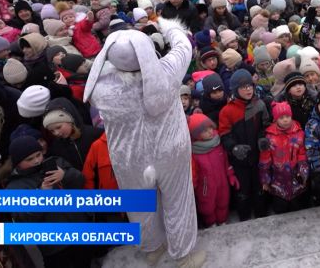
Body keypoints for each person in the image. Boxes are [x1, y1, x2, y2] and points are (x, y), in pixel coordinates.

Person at [85, 24, 205, 267]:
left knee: (139, 205)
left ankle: (152, 248)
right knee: (178, 200)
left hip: (129, 157)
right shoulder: (168, 71)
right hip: (171, 149)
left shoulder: (100, 88)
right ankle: (184, 255)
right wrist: (169, 26)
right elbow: (183, 45)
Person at [6, 135, 96, 268]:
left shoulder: (56, 162)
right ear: (18, 163)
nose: (37, 160)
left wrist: (65, 175)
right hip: (55, 246)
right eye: (29, 159)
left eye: (38, 155)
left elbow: (80, 181)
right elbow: (24, 220)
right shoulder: (14, 187)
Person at [218, 69, 270, 221]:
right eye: (243, 87)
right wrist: (233, 148)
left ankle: (262, 215)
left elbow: (265, 126)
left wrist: (262, 138)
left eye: (250, 85)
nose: (248, 89)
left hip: (258, 157)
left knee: (260, 188)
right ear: (235, 90)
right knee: (243, 191)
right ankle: (244, 218)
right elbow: (224, 134)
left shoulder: (259, 105)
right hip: (239, 161)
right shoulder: (227, 111)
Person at [189, 113, 238, 228]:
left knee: (223, 201)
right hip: (206, 186)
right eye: (205, 130)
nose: (210, 131)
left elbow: (226, 162)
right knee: (207, 206)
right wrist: (193, 185)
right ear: (196, 135)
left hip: (222, 182)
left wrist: (230, 175)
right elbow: (194, 171)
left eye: (210, 127)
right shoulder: (194, 152)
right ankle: (211, 224)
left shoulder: (218, 143)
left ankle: (222, 221)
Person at [259, 101, 308, 214]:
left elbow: (302, 155)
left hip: (296, 180)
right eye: (281, 118)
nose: (285, 120)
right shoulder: (270, 136)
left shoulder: (299, 133)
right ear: (276, 119)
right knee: (280, 210)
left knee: (296, 210)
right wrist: (265, 180)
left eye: (287, 116)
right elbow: (265, 160)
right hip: (278, 181)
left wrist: (303, 173)